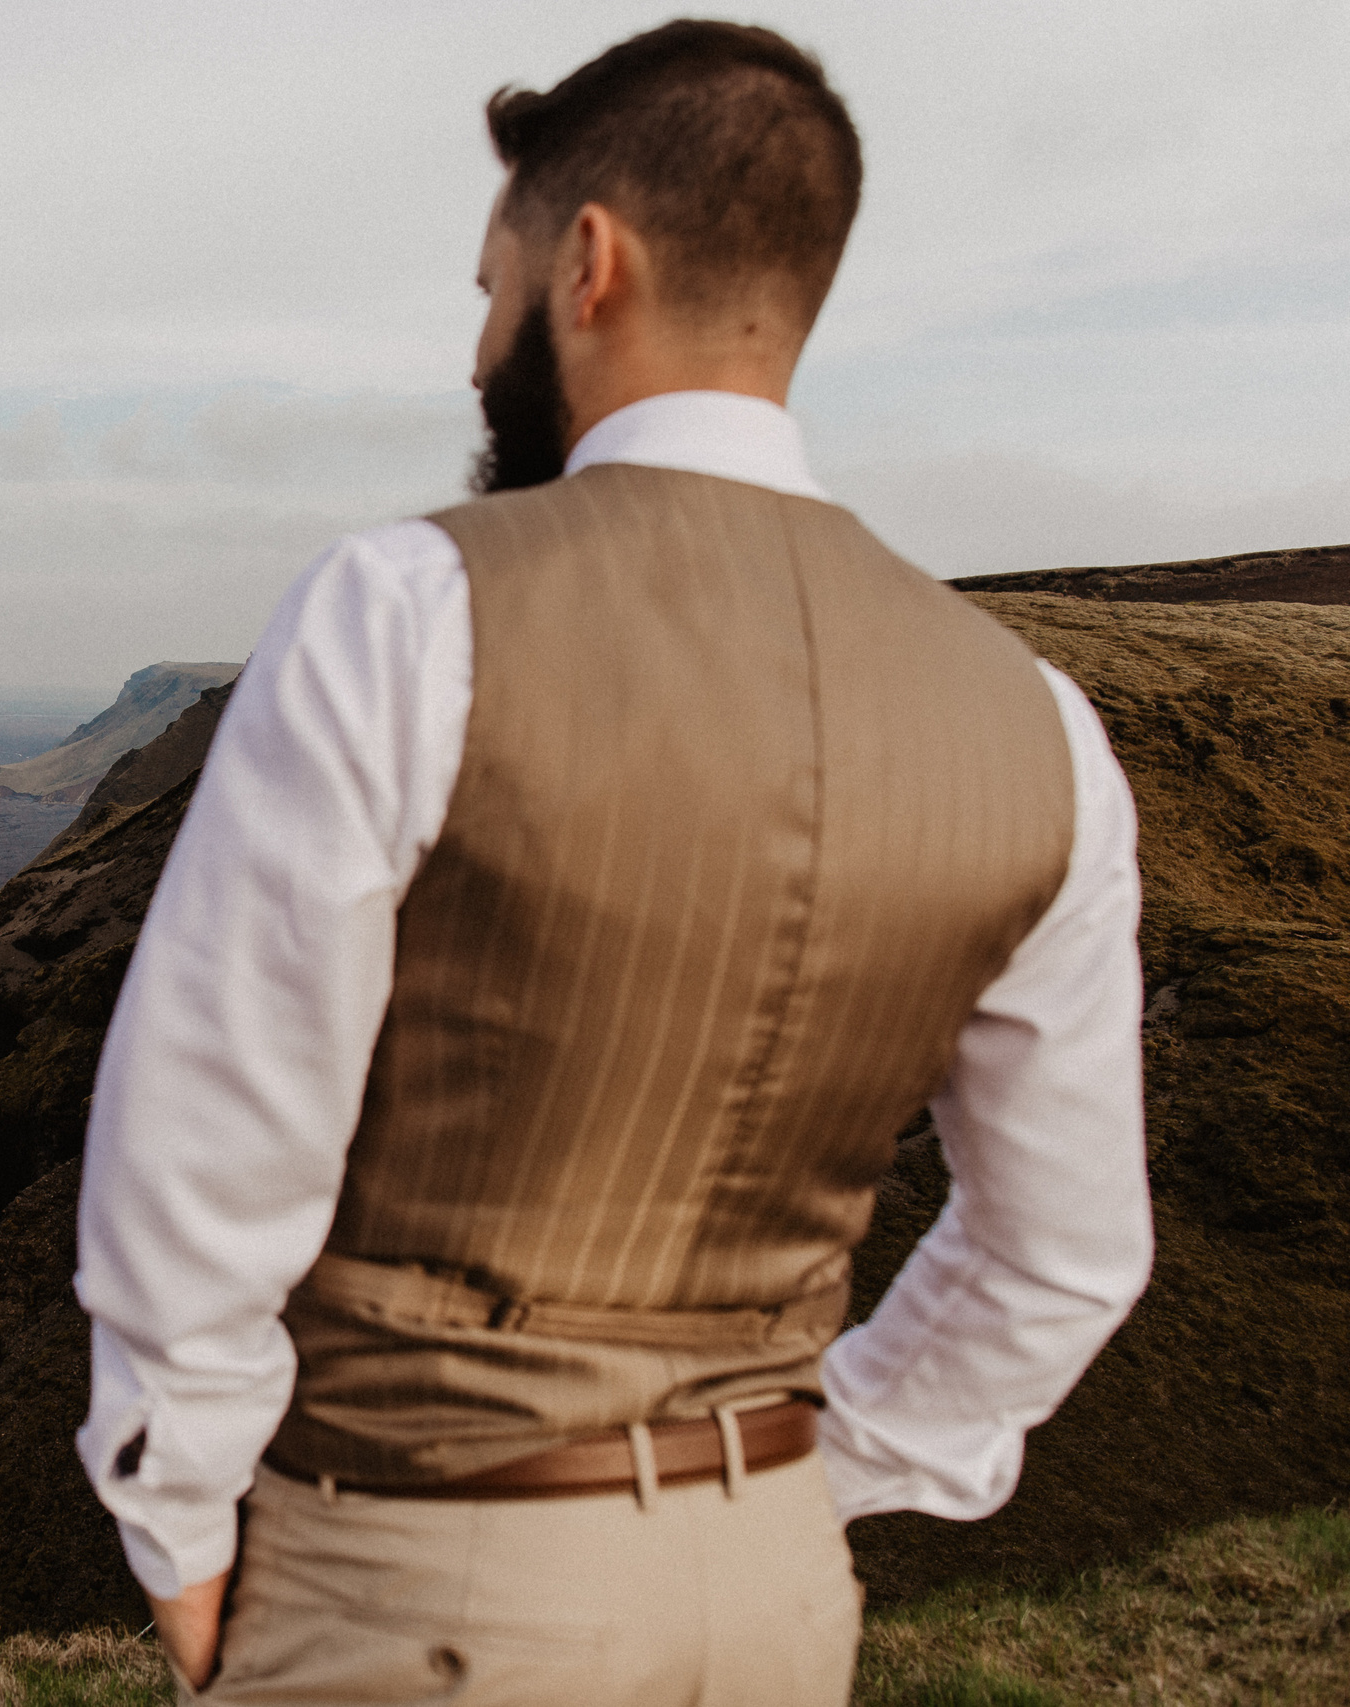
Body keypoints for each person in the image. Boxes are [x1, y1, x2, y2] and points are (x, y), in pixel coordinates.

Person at [72, 19, 1152, 1707]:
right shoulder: (1041, 726)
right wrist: (793, 1485)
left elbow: (213, 1131)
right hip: (777, 1603)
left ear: (590, 263)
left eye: (490, 287)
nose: (477, 350)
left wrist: (178, 1514)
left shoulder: (409, 608)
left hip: (422, 1583)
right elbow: (1061, 1257)